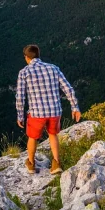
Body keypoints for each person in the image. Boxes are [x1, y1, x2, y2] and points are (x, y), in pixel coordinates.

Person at [16, 44, 81, 175]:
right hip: (54, 111)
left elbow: (20, 96)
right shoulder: (53, 68)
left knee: (33, 137)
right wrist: (75, 107)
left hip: (37, 113)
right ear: (38, 55)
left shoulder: (24, 72)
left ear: (27, 58)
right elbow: (68, 88)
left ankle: (31, 163)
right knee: (53, 135)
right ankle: (56, 163)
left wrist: (20, 116)